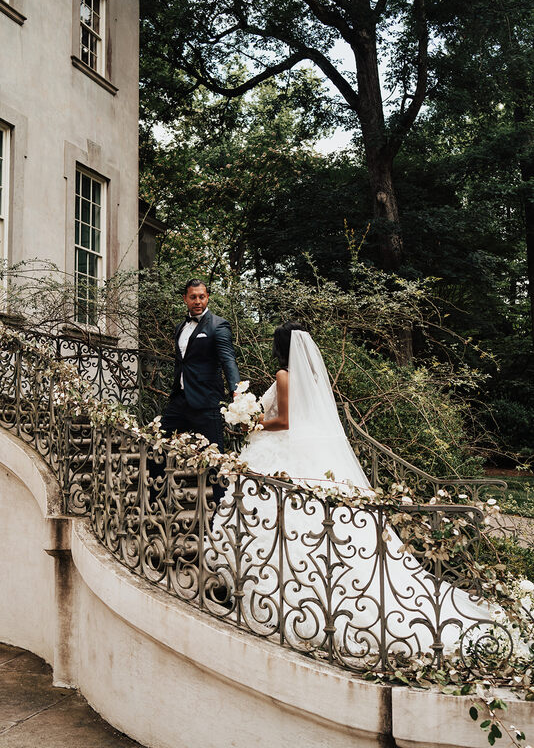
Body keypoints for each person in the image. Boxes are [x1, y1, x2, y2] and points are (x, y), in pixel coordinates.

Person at [210, 323, 493, 662]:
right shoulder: (311, 377)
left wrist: (253, 424)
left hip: (279, 447)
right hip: (298, 451)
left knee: (281, 519)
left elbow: (284, 421)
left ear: (280, 346)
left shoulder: (284, 375)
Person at [161, 279, 240, 454]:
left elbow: (228, 359)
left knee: (213, 455)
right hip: (179, 400)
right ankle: (159, 481)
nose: (198, 301)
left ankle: (216, 483)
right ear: (185, 299)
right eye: (193, 297)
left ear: (208, 298)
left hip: (206, 400)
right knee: (160, 445)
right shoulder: (180, 327)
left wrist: (236, 389)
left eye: (202, 297)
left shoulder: (218, 325)